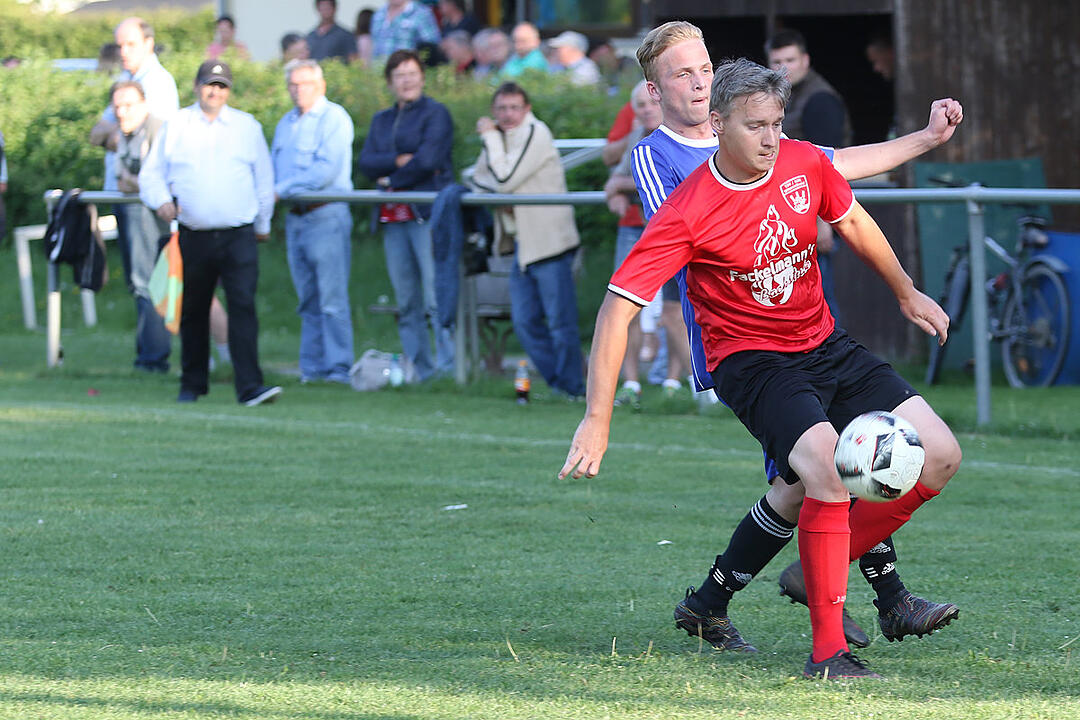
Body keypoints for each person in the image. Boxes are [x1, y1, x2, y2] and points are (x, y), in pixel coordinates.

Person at [560, 56, 962, 679]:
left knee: (939, 454)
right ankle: (829, 654)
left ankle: (810, 568)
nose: (772, 138)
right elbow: (618, 308)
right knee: (825, 470)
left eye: (777, 122)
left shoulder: (802, 162)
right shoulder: (689, 208)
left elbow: (851, 218)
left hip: (824, 343)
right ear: (718, 124)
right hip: (752, 361)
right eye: (756, 126)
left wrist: (907, 291)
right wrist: (597, 417)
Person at [139, 61, 280, 407]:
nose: (215, 92)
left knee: (243, 306)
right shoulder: (177, 125)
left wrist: (262, 226)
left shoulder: (247, 127)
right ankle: (192, 384)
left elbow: (264, 181)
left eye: (222, 86)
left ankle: (250, 386)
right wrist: (161, 202)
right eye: (209, 84)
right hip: (194, 234)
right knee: (193, 310)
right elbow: (150, 176)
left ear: (229, 91)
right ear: (196, 86)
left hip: (239, 235)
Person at [470, 82, 584, 398]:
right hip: (523, 245)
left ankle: (572, 387)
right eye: (502, 108)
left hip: (550, 242)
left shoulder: (536, 132)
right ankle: (560, 384)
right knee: (524, 323)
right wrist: (501, 188)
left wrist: (491, 137)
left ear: (527, 109)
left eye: (514, 107)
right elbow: (477, 181)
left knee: (561, 324)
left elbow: (503, 180)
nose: (508, 115)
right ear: (494, 111)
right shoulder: (501, 139)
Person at [357, 50, 454, 381]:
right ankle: (421, 372)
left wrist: (392, 179)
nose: (407, 80)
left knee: (435, 296)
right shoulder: (381, 119)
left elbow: (429, 160)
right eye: (399, 75)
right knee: (407, 300)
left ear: (423, 77)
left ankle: (449, 370)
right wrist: (398, 160)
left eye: (412, 73)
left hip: (425, 217)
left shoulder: (436, 114)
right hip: (392, 220)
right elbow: (366, 162)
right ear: (390, 82)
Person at [272, 59, 355, 386]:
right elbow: (274, 167)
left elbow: (325, 172)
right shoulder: (286, 123)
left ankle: (338, 369)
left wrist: (280, 190)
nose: (298, 90)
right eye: (292, 84)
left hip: (326, 215)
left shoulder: (334, 118)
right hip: (296, 219)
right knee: (307, 299)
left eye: (304, 83)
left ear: (320, 85)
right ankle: (312, 368)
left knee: (332, 299)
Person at [766, 29, 852, 322]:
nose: (783, 68)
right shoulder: (785, 96)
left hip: (815, 214)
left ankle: (837, 366)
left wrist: (823, 221)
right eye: (776, 61)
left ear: (805, 60)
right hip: (794, 215)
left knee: (820, 303)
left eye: (790, 59)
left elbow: (827, 167)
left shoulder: (820, 99)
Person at [603, 81, 662, 408]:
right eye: (638, 105)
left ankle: (686, 384)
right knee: (625, 306)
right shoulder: (636, 136)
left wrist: (625, 186)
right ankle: (630, 382)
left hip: (672, 233)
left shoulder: (680, 136)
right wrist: (617, 192)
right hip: (637, 229)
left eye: (650, 103)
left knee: (676, 310)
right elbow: (612, 181)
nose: (646, 110)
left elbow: (675, 184)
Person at [110, 80, 171, 373]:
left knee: (149, 284)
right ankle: (146, 355)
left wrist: (133, 184)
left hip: (150, 216)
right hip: (132, 211)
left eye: (129, 105)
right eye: (117, 106)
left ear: (144, 105)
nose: (122, 112)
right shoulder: (125, 132)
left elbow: (158, 181)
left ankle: (153, 360)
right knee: (138, 283)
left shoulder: (157, 129)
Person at [371, 0, 441, 60]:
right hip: (379, 73)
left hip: (408, 74)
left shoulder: (422, 14)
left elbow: (432, 50)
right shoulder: (378, 15)